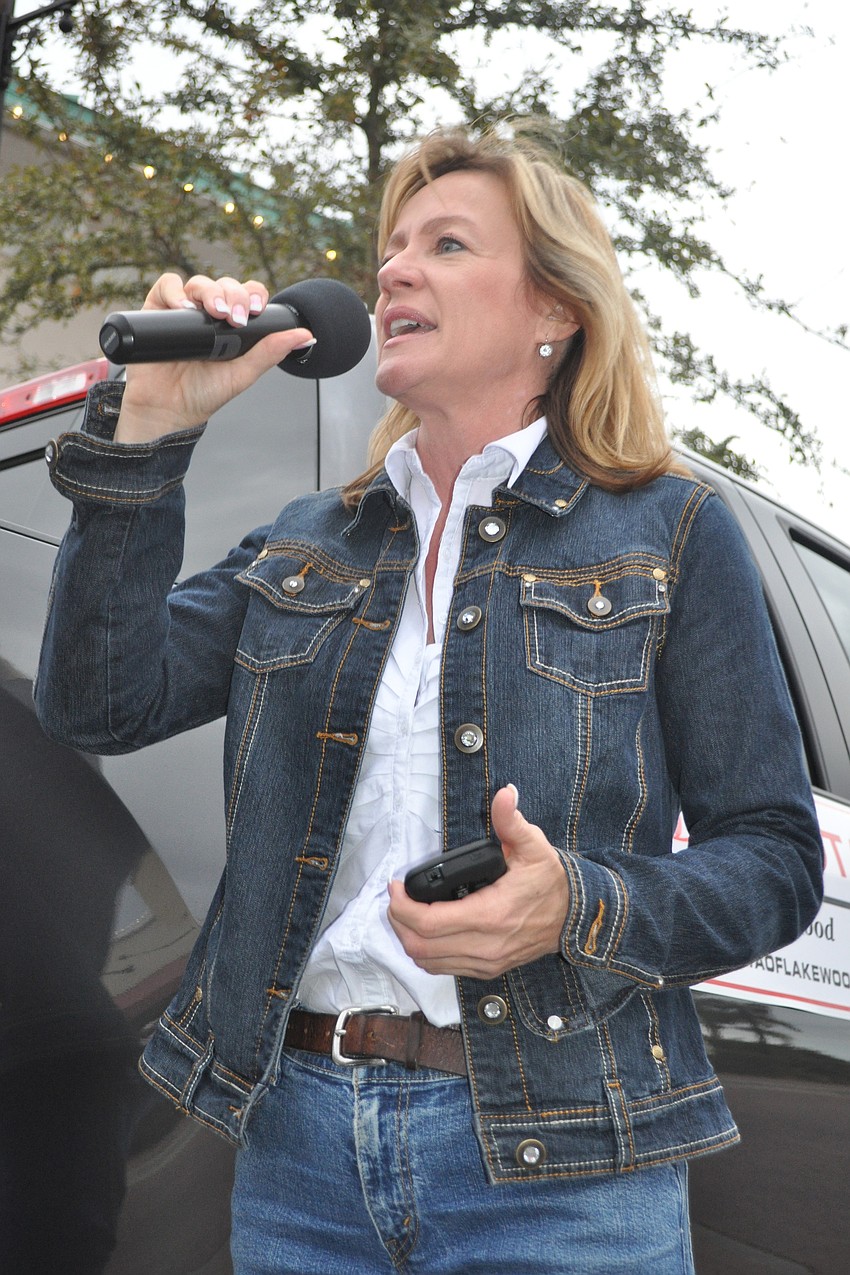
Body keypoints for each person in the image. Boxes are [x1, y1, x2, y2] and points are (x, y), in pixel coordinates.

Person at [35, 125, 823, 1274]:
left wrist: (572, 909)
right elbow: (98, 705)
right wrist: (152, 428)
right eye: (391, 247)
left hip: (564, 1161)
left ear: (555, 310)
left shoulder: (668, 531)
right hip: (299, 1150)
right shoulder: (311, 542)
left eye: (445, 245)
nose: (393, 269)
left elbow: (772, 862)